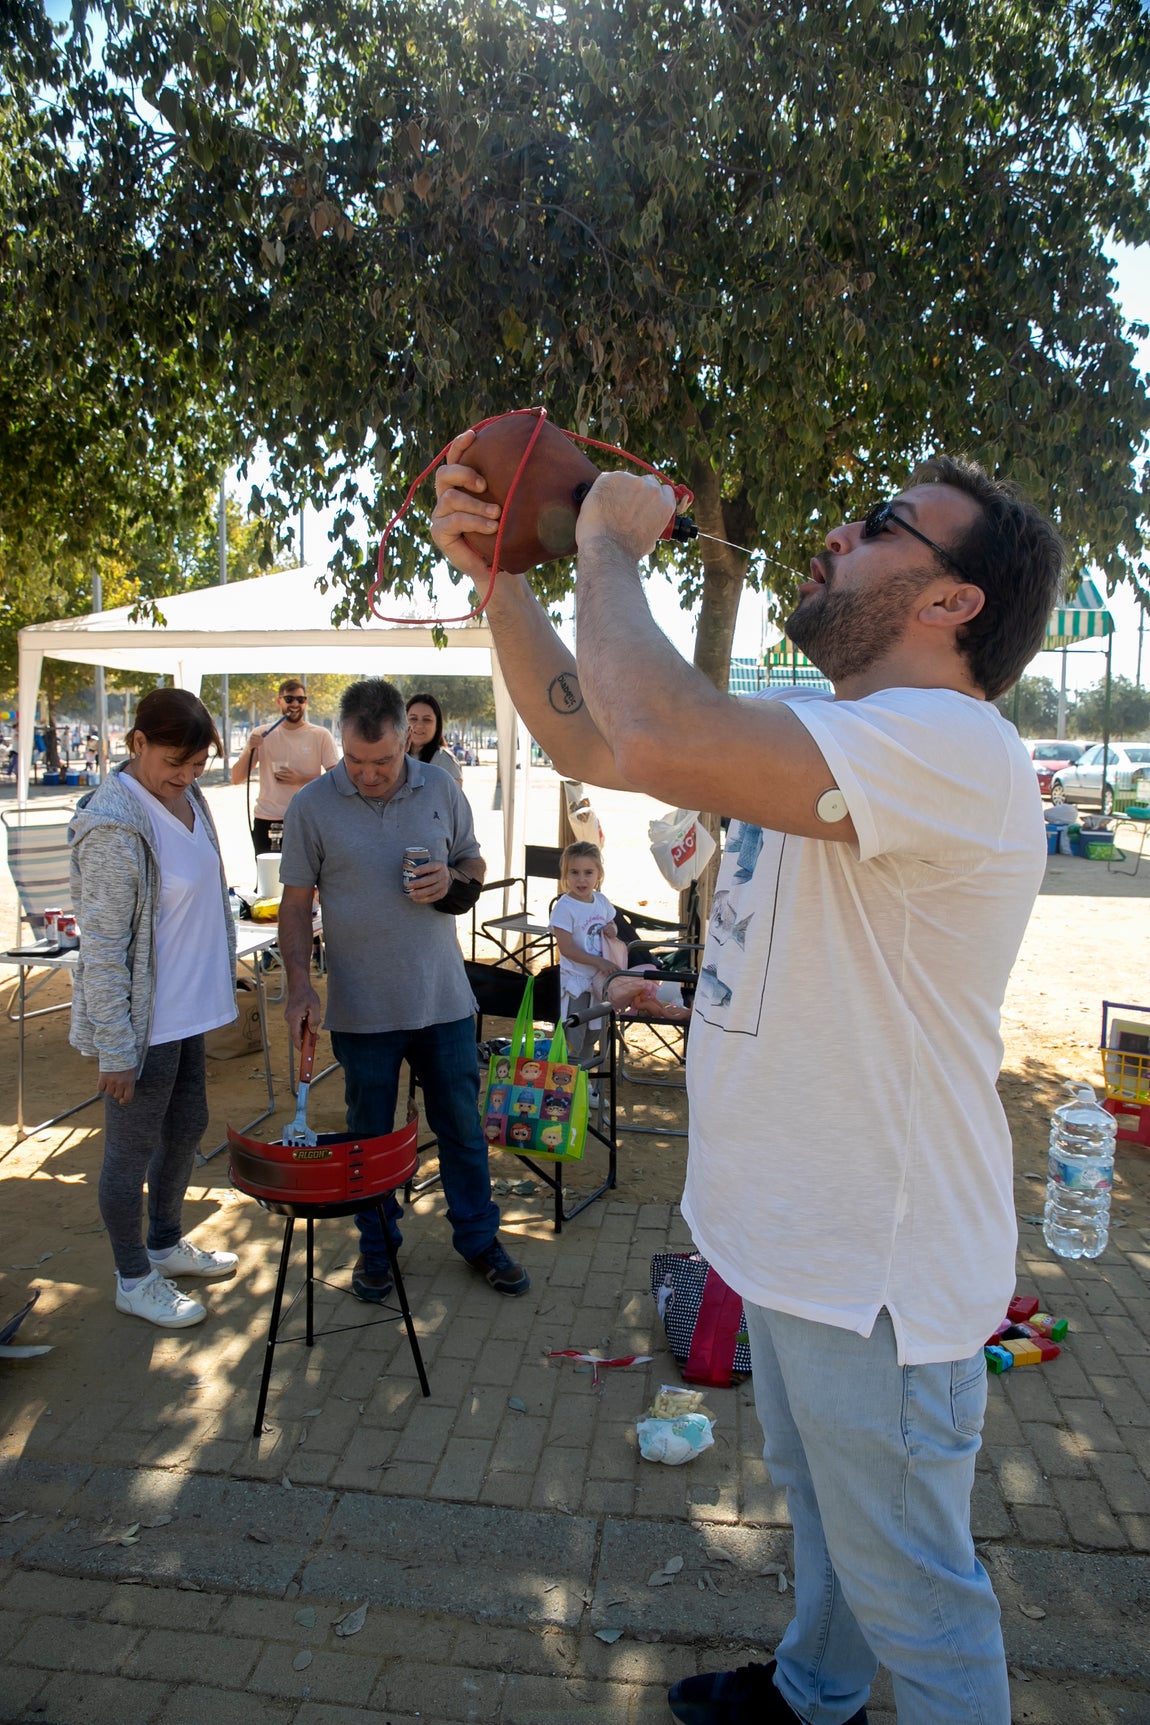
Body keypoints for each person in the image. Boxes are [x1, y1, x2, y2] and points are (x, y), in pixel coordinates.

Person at [431, 438, 1063, 1725]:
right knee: (828, 1514)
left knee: (920, 1597)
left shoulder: (956, 746)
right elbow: (597, 737)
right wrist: (502, 580)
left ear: (953, 601)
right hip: (790, 1246)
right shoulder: (839, 738)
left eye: (879, 522)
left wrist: (606, 543)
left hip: (874, 1277)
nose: (836, 532)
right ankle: (812, 1694)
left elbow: (655, 728)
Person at [278, 677, 530, 1301]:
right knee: (369, 1140)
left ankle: (479, 1239)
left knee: (462, 1130)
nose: (368, 775)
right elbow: (295, 904)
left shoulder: (440, 786)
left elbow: (473, 862)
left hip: (443, 1001)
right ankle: (377, 1248)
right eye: (355, 761)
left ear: (406, 739)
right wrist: (298, 985)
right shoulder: (312, 804)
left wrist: (453, 880)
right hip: (361, 1011)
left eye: (383, 761)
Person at [68, 688, 240, 1330]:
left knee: (188, 1123)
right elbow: (102, 950)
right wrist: (116, 1047)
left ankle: (165, 1244)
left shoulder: (188, 797)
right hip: (145, 1023)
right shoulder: (114, 827)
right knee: (129, 1150)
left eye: (197, 765)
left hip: (188, 1007)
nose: (187, 776)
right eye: (175, 762)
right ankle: (133, 1277)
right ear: (137, 742)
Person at [230, 677, 338, 855]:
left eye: (300, 700)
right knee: (268, 871)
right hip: (268, 819)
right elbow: (236, 778)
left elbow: (336, 780)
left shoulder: (320, 735)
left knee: (307, 872)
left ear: (306, 703)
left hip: (306, 819)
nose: (295, 704)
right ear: (279, 701)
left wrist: (300, 779)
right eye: (289, 699)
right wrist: (250, 748)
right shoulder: (262, 734)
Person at [550, 840, 618, 1063]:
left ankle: (583, 1080)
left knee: (592, 1036)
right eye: (574, 872)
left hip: (599, 983)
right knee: (573, 1039)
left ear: (599, 874)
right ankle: (565, 1081)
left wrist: (612, 929)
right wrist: (598, 962)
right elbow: (566, 948)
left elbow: (611, 923)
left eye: (588, 872)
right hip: (575, 985)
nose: (581, 879)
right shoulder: (564, 907)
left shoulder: (601, 901)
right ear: (565, 874)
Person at [405, 690, 464, 785]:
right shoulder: (395, 756)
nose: (419, 725)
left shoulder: (444, 760)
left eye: (427, 720)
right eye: (413, 718)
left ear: (437, 725)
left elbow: (454, 794)